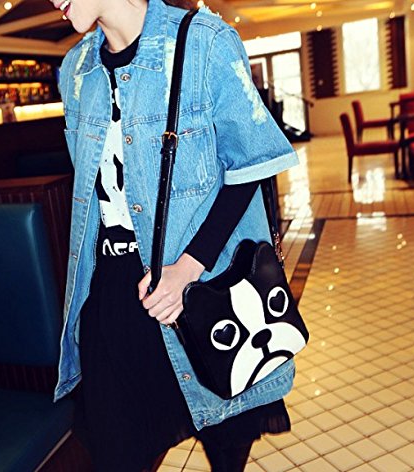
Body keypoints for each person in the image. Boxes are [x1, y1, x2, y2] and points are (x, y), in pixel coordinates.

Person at [50, 0, 300, 470]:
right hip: (114, 290)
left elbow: (250, 166)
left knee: (225, 435)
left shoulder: (204, 42)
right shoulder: (77, 69)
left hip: (202, 282)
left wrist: (187, 268)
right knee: (116, 449)